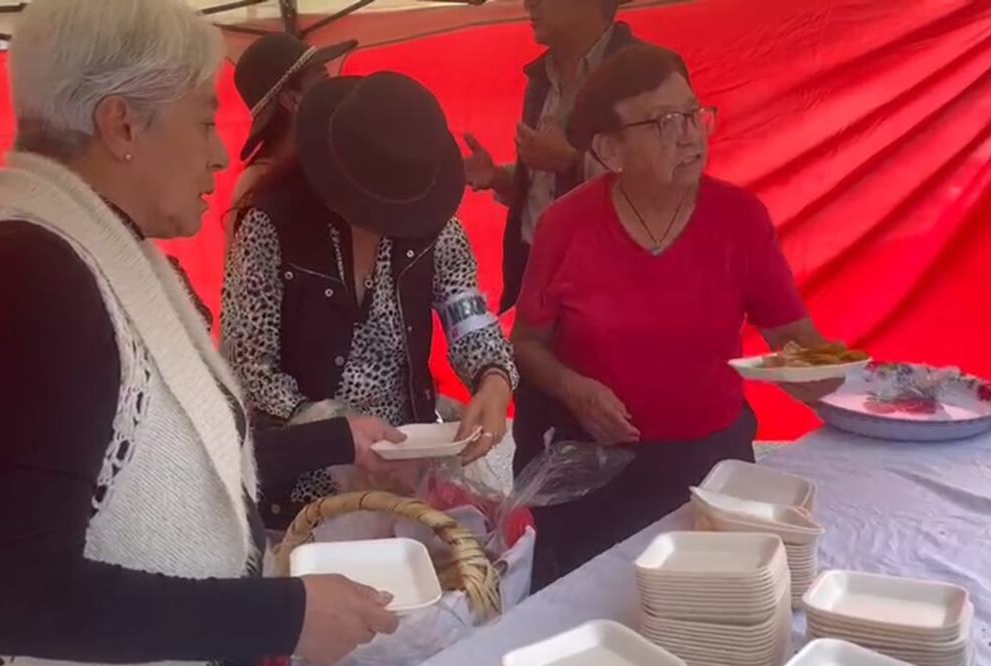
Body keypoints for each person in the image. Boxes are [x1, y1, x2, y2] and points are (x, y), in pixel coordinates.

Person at [0, 1, 412, 664]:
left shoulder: (89, 254)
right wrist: (281, 615)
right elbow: (27, 597)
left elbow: (178, 454)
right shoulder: (23, 283)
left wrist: (338, 439)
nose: (221, 155)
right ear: (122, 124)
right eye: (202, 122)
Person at [511, 43, 840, 589]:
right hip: (597, 470)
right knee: (595, 606)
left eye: (694, 114)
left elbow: (793, 337)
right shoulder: (566, 226)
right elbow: (527, 343)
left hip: (711, 465)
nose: (692, 134)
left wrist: (837, 378)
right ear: (611, 150)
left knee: (719, 600)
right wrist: (573, 389)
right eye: (665, 122)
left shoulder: (739, 218)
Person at [222, 72, 518, 528]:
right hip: (307, 490)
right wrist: (332, 431)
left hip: (409, 472)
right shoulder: (270, 227)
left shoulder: (435, 227)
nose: (385, 222)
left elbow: (469, 315)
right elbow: (247, 366)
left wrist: (494, 378)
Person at [463, 0, 637, 312]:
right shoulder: (542, 75)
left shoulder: (646, 73)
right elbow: (545, 187)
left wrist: (570, 162)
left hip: (607, 284)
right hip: (531, 270)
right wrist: (501, 178)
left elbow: (661, 185)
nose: (529, 3)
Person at [225, 32, 357, 247]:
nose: (334, 93)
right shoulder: (257, 184)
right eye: (324, 82)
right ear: (292, 99)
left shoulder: (327, 167)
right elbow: (244, 276)